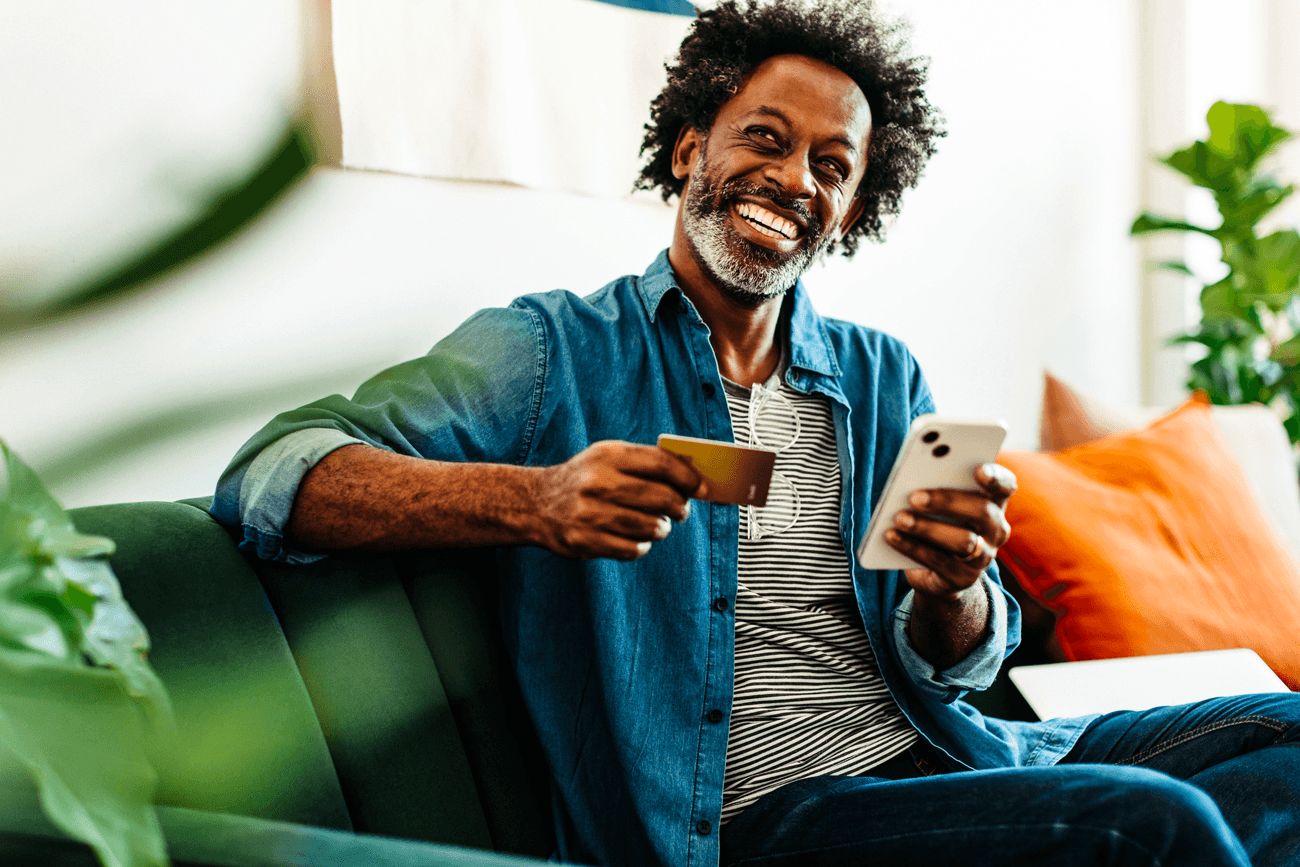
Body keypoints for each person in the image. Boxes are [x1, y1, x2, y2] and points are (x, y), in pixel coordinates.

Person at [212, 1, 1300, 865]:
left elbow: (954, 669)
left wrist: (955, 590)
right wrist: (533, 503)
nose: (794, 179)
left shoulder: (881, 374)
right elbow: (269, 477)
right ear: (689, 149)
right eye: (765, 141)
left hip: (950, 752)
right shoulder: (551, 353)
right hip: (756, 821)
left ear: (853, 208)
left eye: (833, 167)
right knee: (1144, 828)